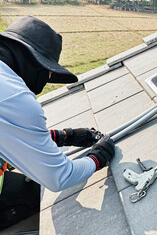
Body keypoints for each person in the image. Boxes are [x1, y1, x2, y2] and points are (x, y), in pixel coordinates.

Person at [0, 16, 115, 230]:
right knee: (31, 195)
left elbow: (7, 135)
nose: (48, 78)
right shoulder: (15, 97)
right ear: (33, 62)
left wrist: (64, 137)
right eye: (48, 72)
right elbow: (59, 177)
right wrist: (98, 157)